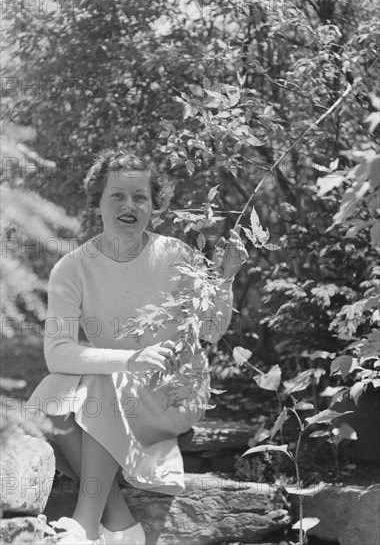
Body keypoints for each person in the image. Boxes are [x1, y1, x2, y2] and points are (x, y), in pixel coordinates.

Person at [27, 150, 248, 545]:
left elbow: (211, 331)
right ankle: (123, 525)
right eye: (117, 195)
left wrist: (226, 279)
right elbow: (56, 352)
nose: (130, 205)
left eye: (140, 196)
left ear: (153, 206)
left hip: (174, 390)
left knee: (97, 385)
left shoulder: (177, 255)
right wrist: (129, 360)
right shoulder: (73, 267)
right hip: (118, 382)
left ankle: (85, 523)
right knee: (48, 398)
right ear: (97, 203)